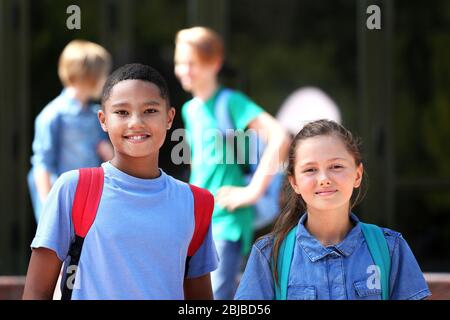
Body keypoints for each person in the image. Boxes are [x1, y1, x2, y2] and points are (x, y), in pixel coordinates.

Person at [23, 63, 218, 300]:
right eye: (122, 112)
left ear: (169, 118)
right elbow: (37, 291)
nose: (136, 122)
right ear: (103, 120)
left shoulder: (196, 203)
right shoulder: (73, 188)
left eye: (150, 110)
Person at [235, 119, 431, 300]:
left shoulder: (391, 248)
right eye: (310, 170)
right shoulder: (268, 255)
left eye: (336, 166)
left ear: (357, 174)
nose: (324, 179)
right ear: (294, 182)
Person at [174, 26, 290, 299]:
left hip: (227, 221)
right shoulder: (190, 109)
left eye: (192, 63)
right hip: (198, 221)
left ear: (214, 63)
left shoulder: (231, 102)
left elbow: (280, 137)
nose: (183, 70)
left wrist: (253, 191)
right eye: (180, 62)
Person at [28, 40, 114, 222]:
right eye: (103, 74)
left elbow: (106, 154)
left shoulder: (94, 114)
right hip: (63, 204)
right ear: (88, 76)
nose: (106, 80)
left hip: (90, 201)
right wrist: (47, 208)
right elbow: (42, 164)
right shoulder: (53, 115)